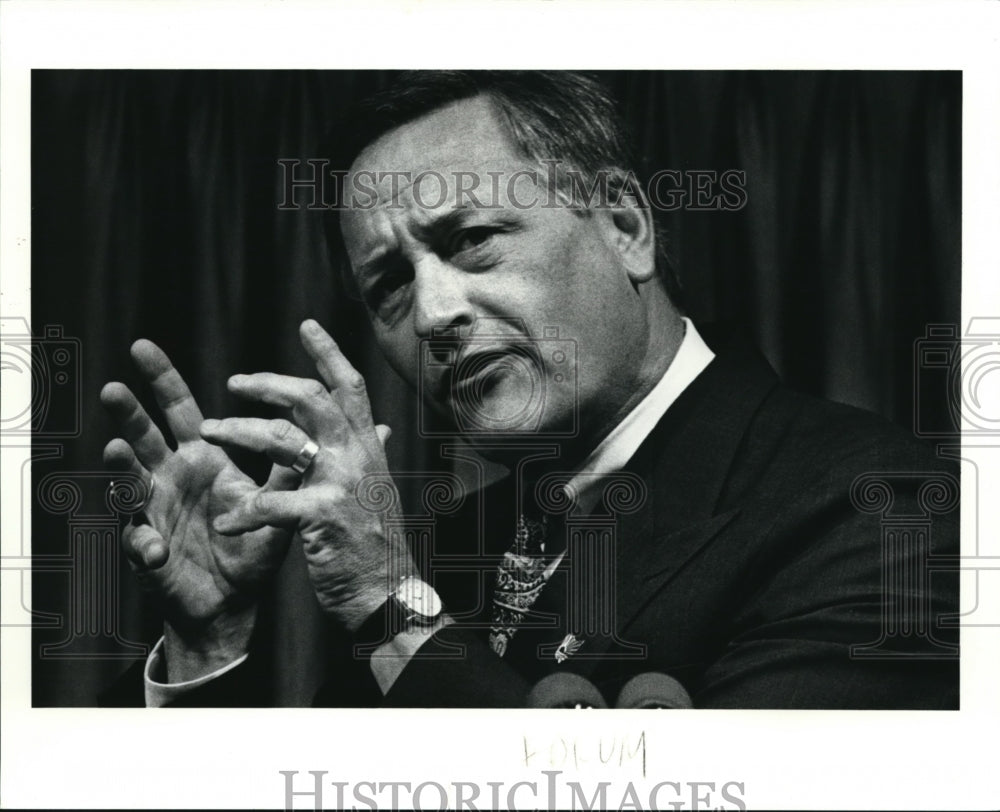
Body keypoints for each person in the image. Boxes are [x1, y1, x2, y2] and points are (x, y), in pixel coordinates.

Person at [99, 71, 958, 708]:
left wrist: (389, 607)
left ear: (623, 227)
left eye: (472, 240)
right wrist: (210, 639)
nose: (434, 313)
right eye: (391, 284)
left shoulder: (877, 503)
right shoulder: (427, 551)